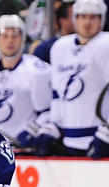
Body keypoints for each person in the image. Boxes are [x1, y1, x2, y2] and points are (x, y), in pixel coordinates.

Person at [34, 0, 109, 158]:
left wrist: (106, 133)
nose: (87, 22)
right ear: (75, 18)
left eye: (93, 17)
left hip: (100, 138)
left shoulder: (106, 45)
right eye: (82, 16)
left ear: (101, 19)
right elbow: (58, 93)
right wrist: (51, 126)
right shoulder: (60, 48)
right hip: (68, 139)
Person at [0, 14, 52, 147]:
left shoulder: (36, 70)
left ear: (22, 38)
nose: (10, 41)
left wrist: (32, 130)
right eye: (5, 35)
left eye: (15, 35)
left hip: (21, 149)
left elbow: (48, 112)